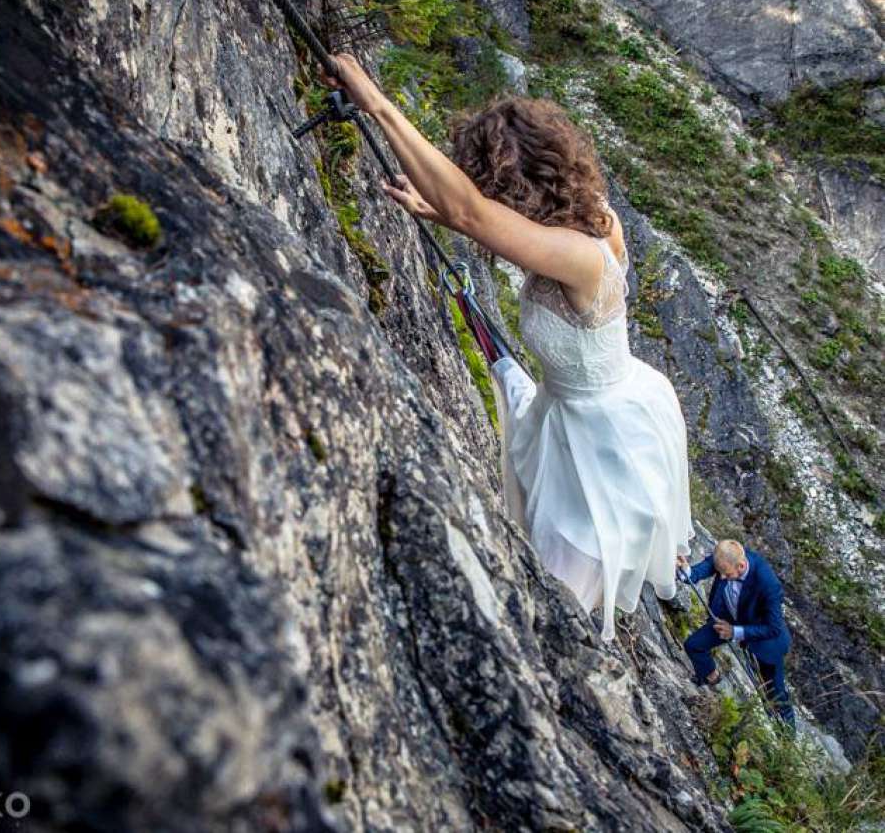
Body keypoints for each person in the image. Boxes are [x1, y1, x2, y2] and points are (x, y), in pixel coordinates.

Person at [320, 54, 694, 642]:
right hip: (583, 415)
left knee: (555, 610)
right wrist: (437, 211)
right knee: (544, 582)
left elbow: (472, 211)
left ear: (519, 188)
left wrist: (379, 106)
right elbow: (478, 218)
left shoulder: (579, 252)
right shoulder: (589, 219)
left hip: (606, 448)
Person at [677, 541, 795, 728]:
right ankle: (711, 679)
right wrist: (688, 572)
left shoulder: (767, 583)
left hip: (764, 639)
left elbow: (773, 627)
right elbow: (708, 566)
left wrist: (736, 632)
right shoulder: (727, 557)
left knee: (776, 692)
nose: (722, 577)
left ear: (741, 566)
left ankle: (788, 733)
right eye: (720, 572)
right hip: (727, 620)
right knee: (693, 645)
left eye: (727, 573)